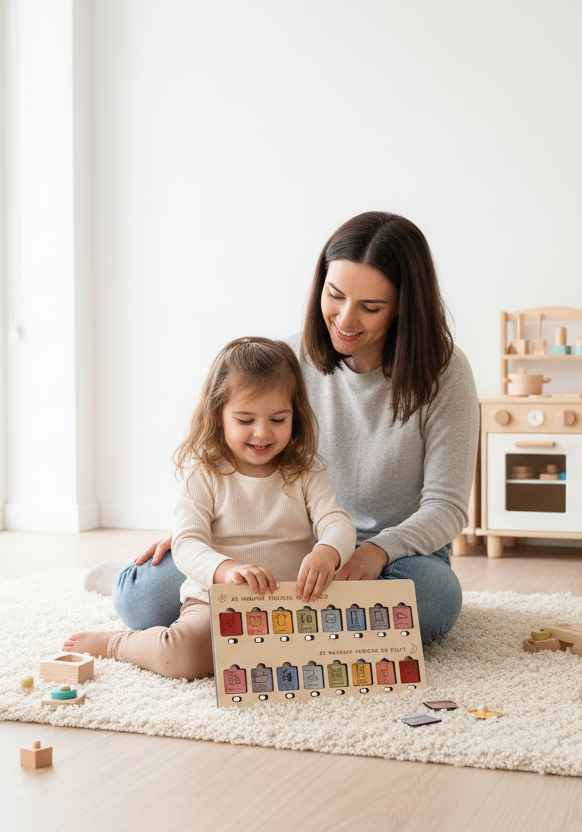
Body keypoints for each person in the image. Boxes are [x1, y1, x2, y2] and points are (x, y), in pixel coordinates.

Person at [88, 211, 478, 645]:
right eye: (336, 296)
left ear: (405, 308)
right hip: (289, 544)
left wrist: (375, 551)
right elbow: (236, 452)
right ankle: (125, 575)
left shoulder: (445, 373)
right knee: (143, 602)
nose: (346, 320)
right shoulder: (290, 358)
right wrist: (198, 533)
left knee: (433, 602)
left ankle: (289, 619)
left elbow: (446, 507)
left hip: (394, 554)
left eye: (370, 307)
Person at [63, 337, 356, 678]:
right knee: (184, 656)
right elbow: (186, 544)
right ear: (218, 415)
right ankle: (117, 643)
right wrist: (225, 571)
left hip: (293, 604)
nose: (262, 433)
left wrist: (328, 551)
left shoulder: (305, 471)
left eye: (278, 419)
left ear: (295, 414)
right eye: (245, 420)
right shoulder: (205, 473)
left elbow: (337, 520)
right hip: (217, 600)